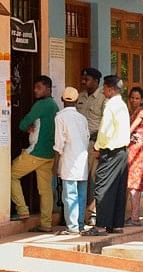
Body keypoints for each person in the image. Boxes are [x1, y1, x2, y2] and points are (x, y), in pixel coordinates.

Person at [81, 75, 130, 236]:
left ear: (110, 89)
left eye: (105, 88)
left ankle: (101, 225)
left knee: (102, 188)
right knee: (118, 189)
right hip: (122, 152)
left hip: (110, 151)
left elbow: (105, 131)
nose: (103, 91)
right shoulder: (122, 105)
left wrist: (97, 147)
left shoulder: (110, 106)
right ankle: (116, 225)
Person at [10, 75, 59, 232]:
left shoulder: (41, 104)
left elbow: (23, 123)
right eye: (35, 87)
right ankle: (46, 223)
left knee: (11, 175)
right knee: (45, 190)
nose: (35, 90)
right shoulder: (54, 105)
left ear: (48, 88)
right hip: (49, 153)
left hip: (36, 152)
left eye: (39, 87)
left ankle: (22, 210)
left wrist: (27, 126)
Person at [52, 87, 89, 235]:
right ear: (76, 101)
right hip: (82, 160)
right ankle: (79, 225)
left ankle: (72, 226)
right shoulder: (82, 118)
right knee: (81, 195)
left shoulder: (60, 117)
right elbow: (86, 139)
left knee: (69, 195)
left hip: (68, 160)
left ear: (62, 100)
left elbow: (59, 144)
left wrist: (55, 164)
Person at [76, 67, 105, 226]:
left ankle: (93, 213)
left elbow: (107, 123)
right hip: (80, 144)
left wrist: (100, 146)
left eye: (86, 79)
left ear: (95, 81)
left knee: (97, 179)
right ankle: (80, 214)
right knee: (81, 178)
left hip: (95, 144)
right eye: (83, 79)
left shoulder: (102, 98)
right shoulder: (80, 97)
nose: (83, 82)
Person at [125, 87, 143, 226]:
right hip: (131, 150)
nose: (134, 100)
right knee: (131, 184)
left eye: (137, 98)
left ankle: (134, 217)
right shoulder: (132, 112)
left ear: (142, 100)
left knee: (134, 184)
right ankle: (133, 216)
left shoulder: (141, 112)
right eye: (132, 97)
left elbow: (129, 129)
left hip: (137, 152)